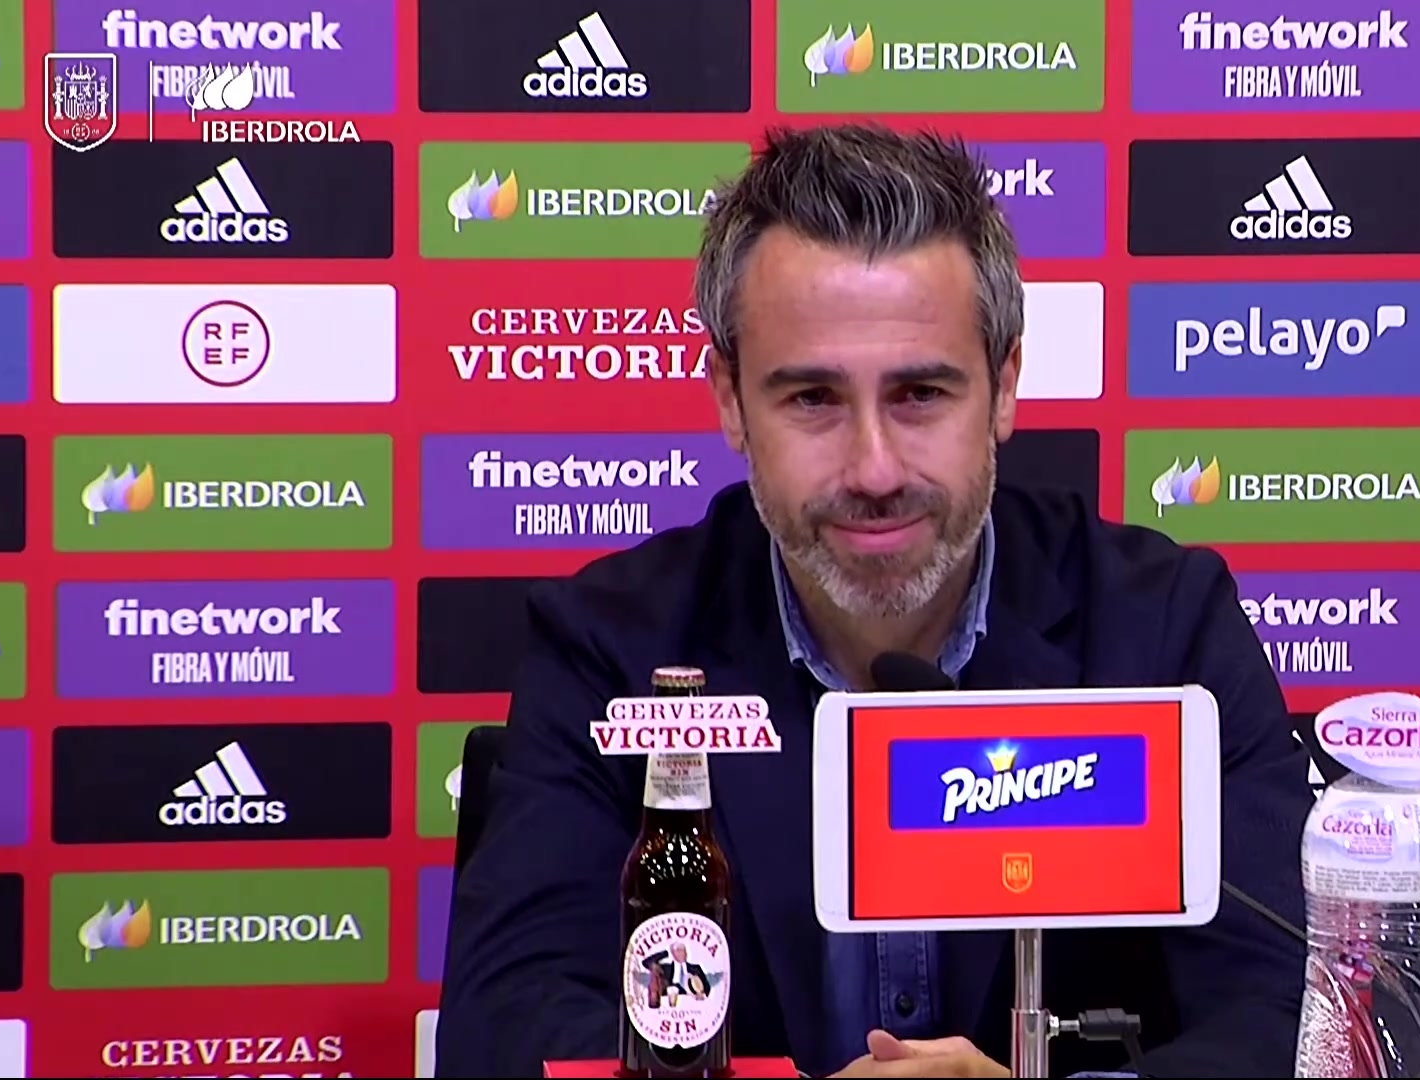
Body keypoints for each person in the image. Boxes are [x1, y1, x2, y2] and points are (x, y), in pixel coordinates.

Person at [435, 123, 1312, 1079]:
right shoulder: (616, 650)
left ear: (1004, 387)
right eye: (812, 399)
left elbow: (1290, 1018)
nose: (875, 469)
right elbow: (509, 1031)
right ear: (730, 398)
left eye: (920, 394)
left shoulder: (1163, 632)